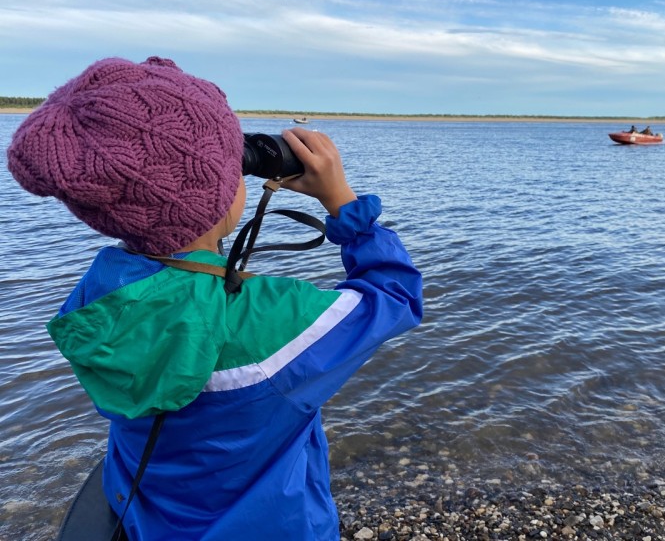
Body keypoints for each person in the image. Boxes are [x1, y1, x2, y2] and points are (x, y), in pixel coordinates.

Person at [6, 56, 423, 540]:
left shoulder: (97, 298)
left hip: (147, 516)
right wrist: (344, 204)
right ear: (223, 196)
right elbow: (395, 296)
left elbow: (176, 264)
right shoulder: (277, 321)